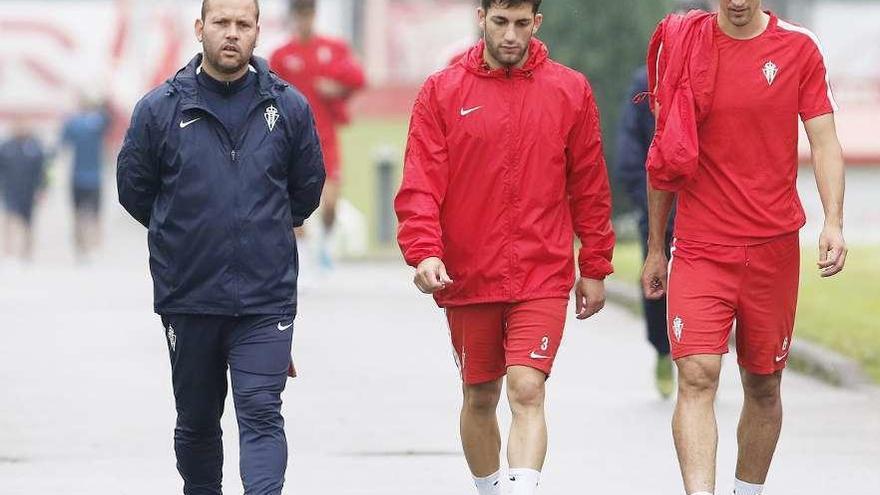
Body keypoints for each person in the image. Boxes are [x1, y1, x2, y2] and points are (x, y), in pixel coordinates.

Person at [395, 1, 615, 494]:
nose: (510, 35)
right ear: (481, 18)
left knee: (526, 388)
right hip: (468, 275)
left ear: (536, 22)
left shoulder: (569, 90)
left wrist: (595, 263)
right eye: (500, 23)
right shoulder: (442, 92)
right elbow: (421, 184)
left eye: (521, 24)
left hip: (542, 272)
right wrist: (425, 251)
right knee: (479, 394)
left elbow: (590, 186)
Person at [116, 0, 325, 493]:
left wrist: (260, 229)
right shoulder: (158, 109)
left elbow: (306, 190)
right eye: (221, 23)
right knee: (196, 423)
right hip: (189, 296)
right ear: (199, 28)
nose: (231, 34)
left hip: (265, 296)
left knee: (261, 412)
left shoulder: (289, 106)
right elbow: (135, 191)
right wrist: (186, 232)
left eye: (242, 24)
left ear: (257, 31)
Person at [640, 1, 846, 494]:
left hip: (771, 248)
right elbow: (667, 151)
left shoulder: (798, 48)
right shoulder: (685, 44)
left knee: (763, 384)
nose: (735, 2)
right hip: (700, 245)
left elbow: (824, 141)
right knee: (696, 372)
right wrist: (654, 247)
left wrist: (833, 222)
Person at [616, 0, 712, 399]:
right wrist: (649, 201)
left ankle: (701, 361)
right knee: (657, 288)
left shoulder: (717, 79)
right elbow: (629, 151)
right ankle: (661, 348)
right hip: (659, 208)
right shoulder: (646, 82)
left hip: (708, 212)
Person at [270, 0, 365, 269]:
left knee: (331, 203)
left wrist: (337, 88)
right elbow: (270, 94)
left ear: (314, 15)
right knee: (294, 206)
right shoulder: (282, 55)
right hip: (292, 142)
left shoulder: (331, 49)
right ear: (293, 17)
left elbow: (358, 78)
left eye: (308, 13)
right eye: (299, 14)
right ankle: (301, 262)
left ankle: (324, 238)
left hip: (325, 138)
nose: (304, 19)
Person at [60, 95, 111, 263]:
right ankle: (91, 247)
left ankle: (81, 248)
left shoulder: (73, 122)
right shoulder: (97, 121)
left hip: (78, 175)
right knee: (93, 214)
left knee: (79, 214)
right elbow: (109, 119)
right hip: (93, 176)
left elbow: (63, 142)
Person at [0, 119, 47, 262]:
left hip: (29, 191)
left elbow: (42, 171)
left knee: (28, 222)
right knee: (11, 218)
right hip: (11, 189)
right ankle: (9, 250)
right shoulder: (6, 147)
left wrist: (42, 189)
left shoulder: (35, 147)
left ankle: (26, 251)